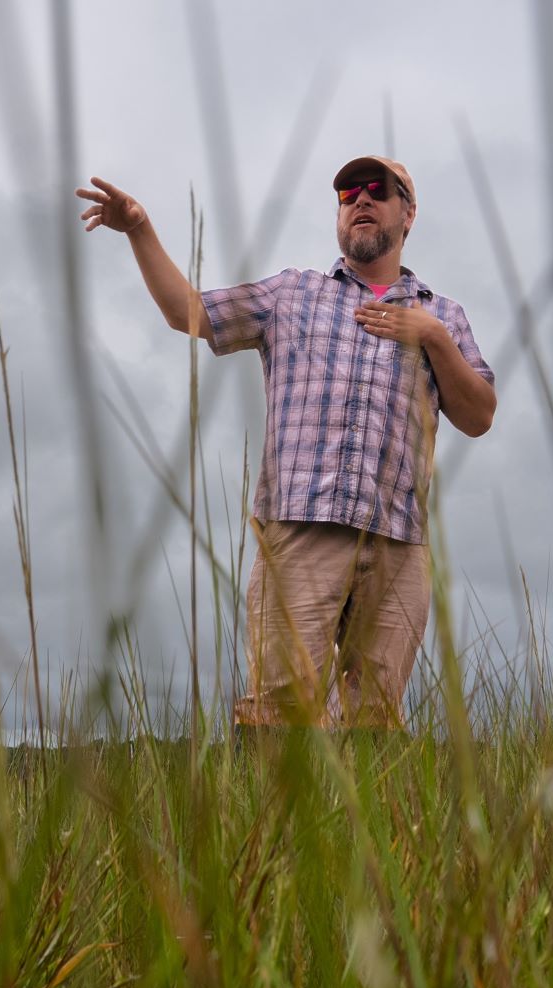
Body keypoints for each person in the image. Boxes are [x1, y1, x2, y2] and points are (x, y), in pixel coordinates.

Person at [76, 155, 496, 728]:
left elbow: (478, 416)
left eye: (378, 189)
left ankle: (363, 822)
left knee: (374, 717)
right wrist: (141, 229)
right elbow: (190, 313)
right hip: (301, 527)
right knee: (280, 716)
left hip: (400, 541)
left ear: (409, 212)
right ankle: (279, 821)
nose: (361, 200)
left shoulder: (442, 315)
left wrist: (434, 340)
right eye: (349, 194)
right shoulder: (293, 294)